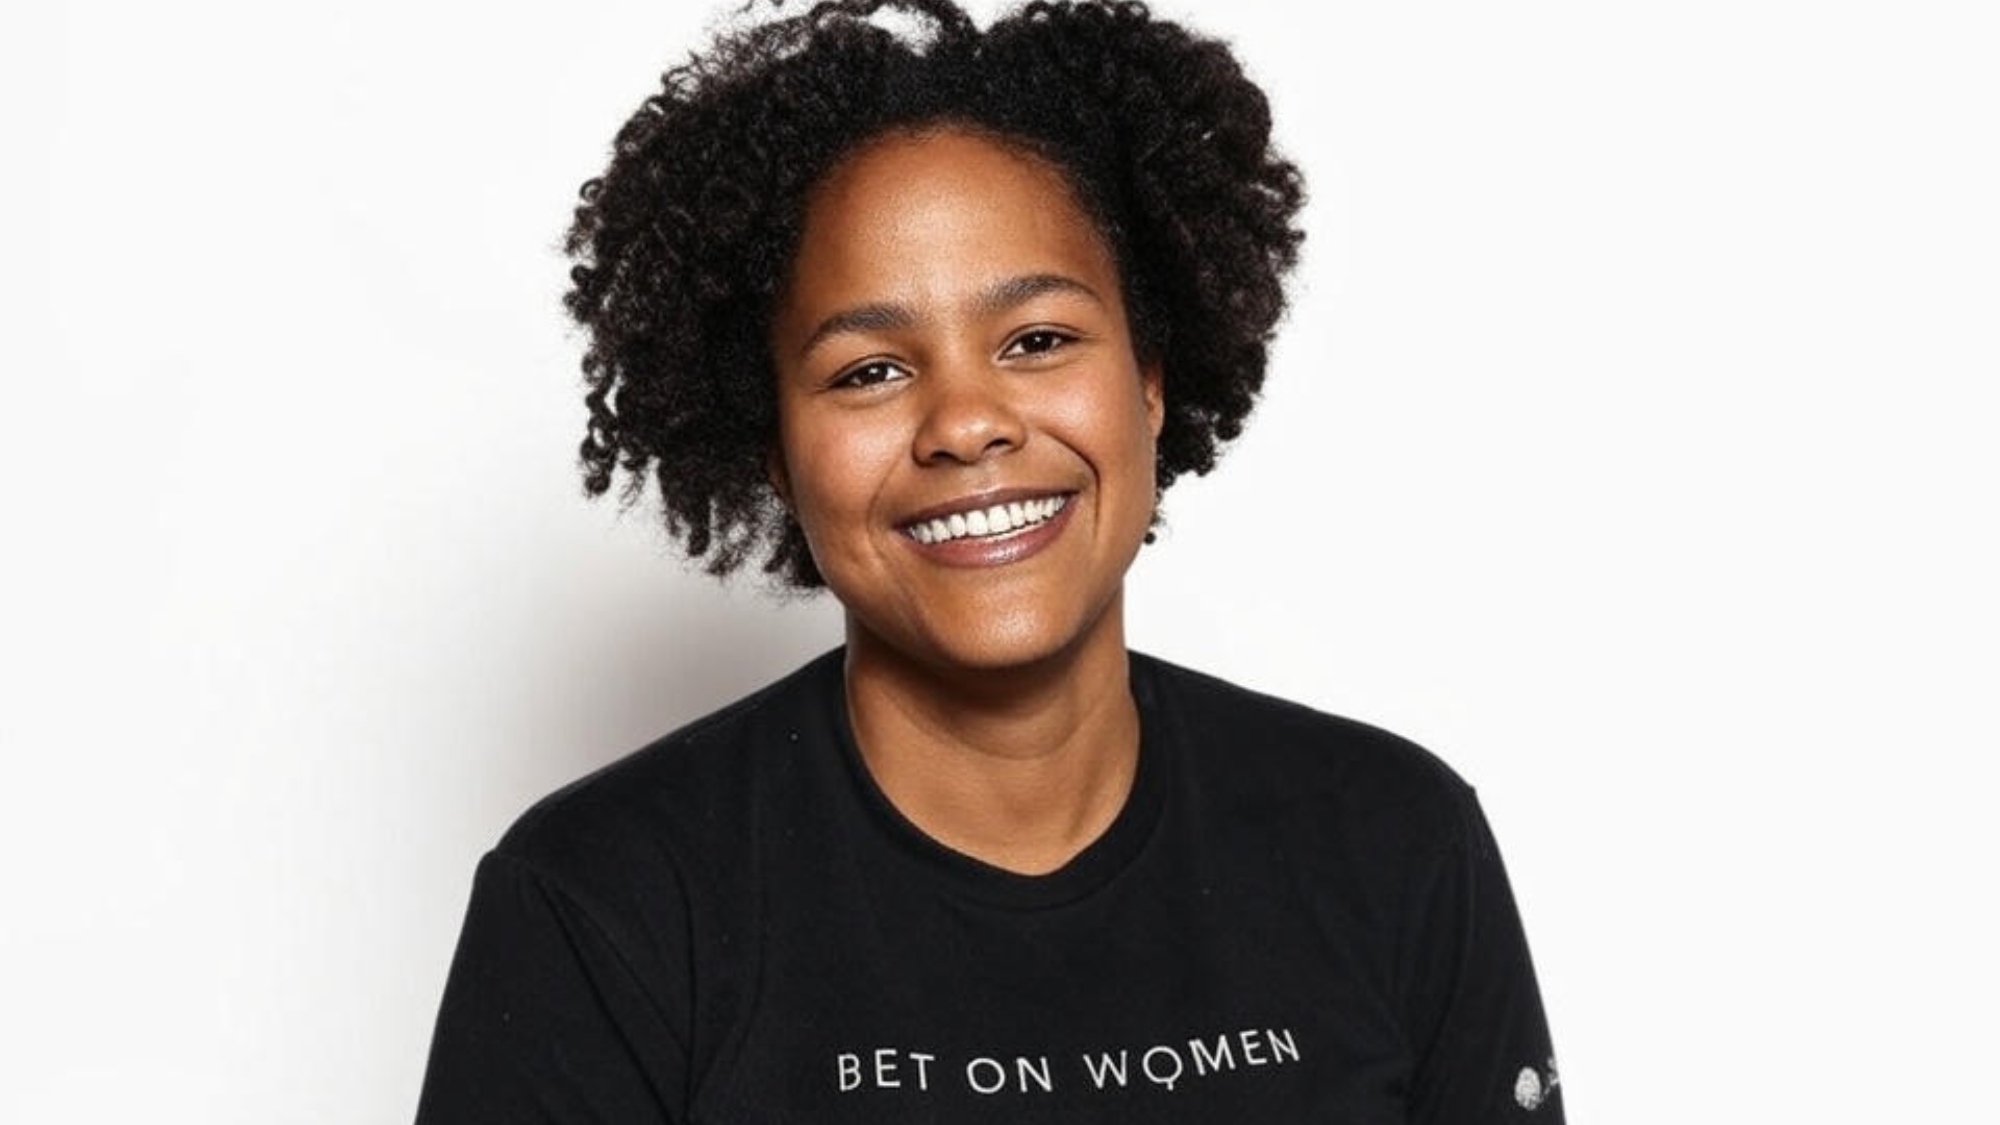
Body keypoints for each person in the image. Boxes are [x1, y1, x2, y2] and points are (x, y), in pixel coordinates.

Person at [416, 1, 1564, 1120]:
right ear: (775, 451)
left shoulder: (1390, 843)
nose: (965, 424)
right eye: (868, 370)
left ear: (1148, 382)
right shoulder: (603, 904)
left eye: (1037, 340)